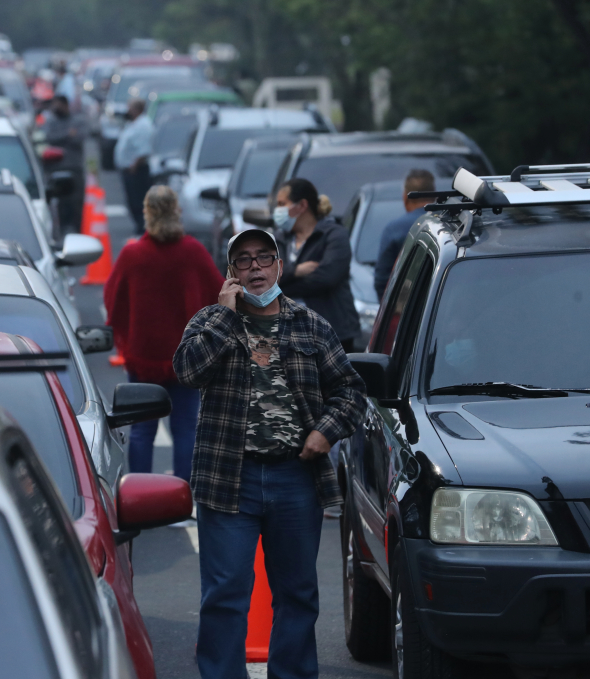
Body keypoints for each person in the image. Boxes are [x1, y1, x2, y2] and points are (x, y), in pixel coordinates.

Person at [174, 227, 365, 679]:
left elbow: (351, 392)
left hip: (295, 479)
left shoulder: (311, 325)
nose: (255, 267)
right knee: (225, 594)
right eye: (244, 260)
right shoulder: (208, 322)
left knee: (297, 594)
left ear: (280, 266)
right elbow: (186, 372)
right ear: (231, 273)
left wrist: (325, 431)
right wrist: (224, 317)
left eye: (264, 258)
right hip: (228, 480)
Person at [104, 185, 223, 487]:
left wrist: (127, 337)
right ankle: (182, 497)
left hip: (143, 356)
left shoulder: (133, 254)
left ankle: (141, 498)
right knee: (185, 427)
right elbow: (218, 292)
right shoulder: (193, 251)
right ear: (177, 212)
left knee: (143, 428)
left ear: (147, 212)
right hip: (187, 357)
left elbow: (112, 298)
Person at [271, 178, 362, 351]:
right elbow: (266, 276)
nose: (278, 210)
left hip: (332, 335)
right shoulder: (279, 239)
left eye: (283, 204)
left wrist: (281, 286)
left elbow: (327, 277)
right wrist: (296, 271)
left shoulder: (334, 235)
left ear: (302, 205)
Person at [373, 169, 436, 298]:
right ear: (435, 197)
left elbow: (382, 281)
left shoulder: (394, 230)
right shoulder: (449, 225)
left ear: (405, 197)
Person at [43, 95, 88, 234]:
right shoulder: (51, 121)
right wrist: (67, 134)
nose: (55, 109)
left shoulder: (78, 120)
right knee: (59, 203)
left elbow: (79, 137)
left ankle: (77, 230)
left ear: (66, 105)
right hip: (55, 168)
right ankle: (61, 230)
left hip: (74, 168)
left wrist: (63, 137)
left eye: (58, 106)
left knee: (76, 202)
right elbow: (49, 138)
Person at [114, 99, 154, 234]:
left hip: (137, 170)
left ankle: (143, 228)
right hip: (130, 168)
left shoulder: (143, 125)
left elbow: (144, 149)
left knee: (139, 200)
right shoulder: (134, 124)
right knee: (133, 200)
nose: (128, 111)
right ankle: (140, 226)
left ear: (137, 109)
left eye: (130, 108)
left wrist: (134, 165)